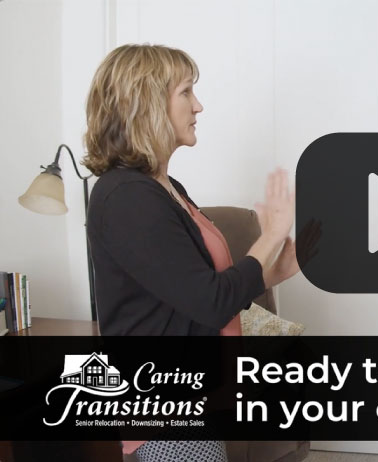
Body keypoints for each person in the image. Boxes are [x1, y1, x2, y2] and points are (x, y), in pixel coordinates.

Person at [83, 44, 297, 461]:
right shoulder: (126, 197)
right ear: (146, 103)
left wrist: (272, 273)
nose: (198, 105)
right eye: (185, 92)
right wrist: (270, 236)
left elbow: (193, 288)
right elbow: (210, 302)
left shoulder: (165, 188)